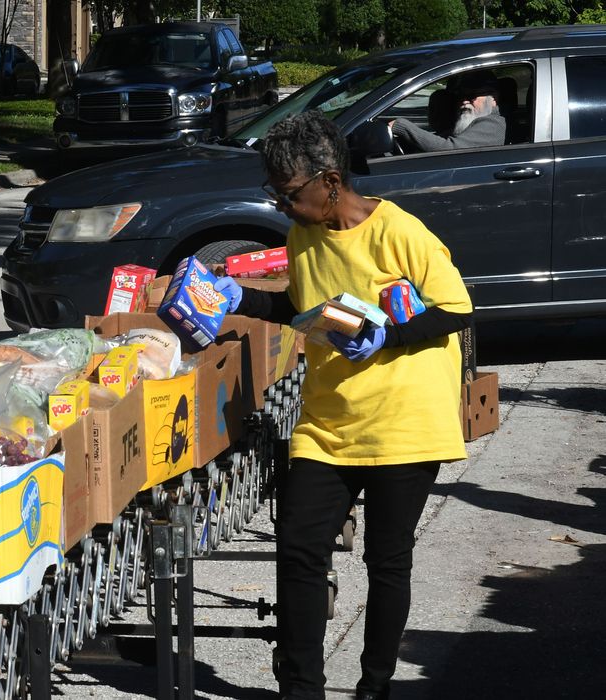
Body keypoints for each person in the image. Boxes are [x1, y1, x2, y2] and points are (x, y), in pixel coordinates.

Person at [213, 111, 473, 699]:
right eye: (275, 194)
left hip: (403, 423)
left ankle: (374, 685)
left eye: (288, 193)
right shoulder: (303, 236)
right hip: (328, 423)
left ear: (329, 181)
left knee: (386, 560)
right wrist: (239, 298)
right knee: (299, 549)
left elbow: (455, 307)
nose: (282, 206)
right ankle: (301, 688)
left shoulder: (398, 230)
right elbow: (302, 308)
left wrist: (388, 334)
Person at [389, 71, 506, 152]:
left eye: (471, 96)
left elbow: (450, 149)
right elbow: (442, 139)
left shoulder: (492, 123)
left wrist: (401, 126)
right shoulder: (474, 121)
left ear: (493, 99)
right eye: (460, 96)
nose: (464, 102)